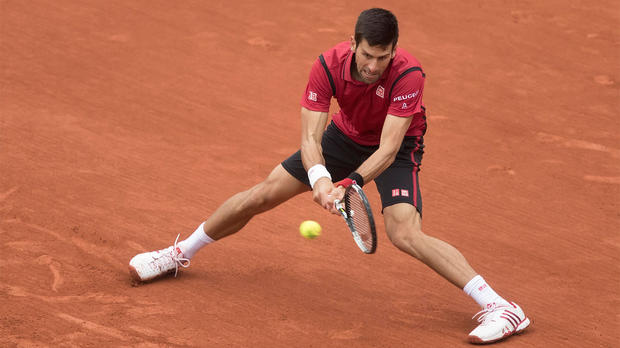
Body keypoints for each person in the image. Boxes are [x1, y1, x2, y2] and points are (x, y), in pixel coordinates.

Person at [129, 8, 530, 344]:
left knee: (404, 232)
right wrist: (321, 178)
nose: (374, 66)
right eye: (368, 55)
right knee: (263, 193)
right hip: (343, 137)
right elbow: (310, 136)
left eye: (383, 57)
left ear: (394, 51)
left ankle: (501, 307)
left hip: (397, 147)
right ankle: (178, 254)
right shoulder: (327, 65)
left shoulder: (409, 75)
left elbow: (388, 149)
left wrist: (349, 183)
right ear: (353, 44)